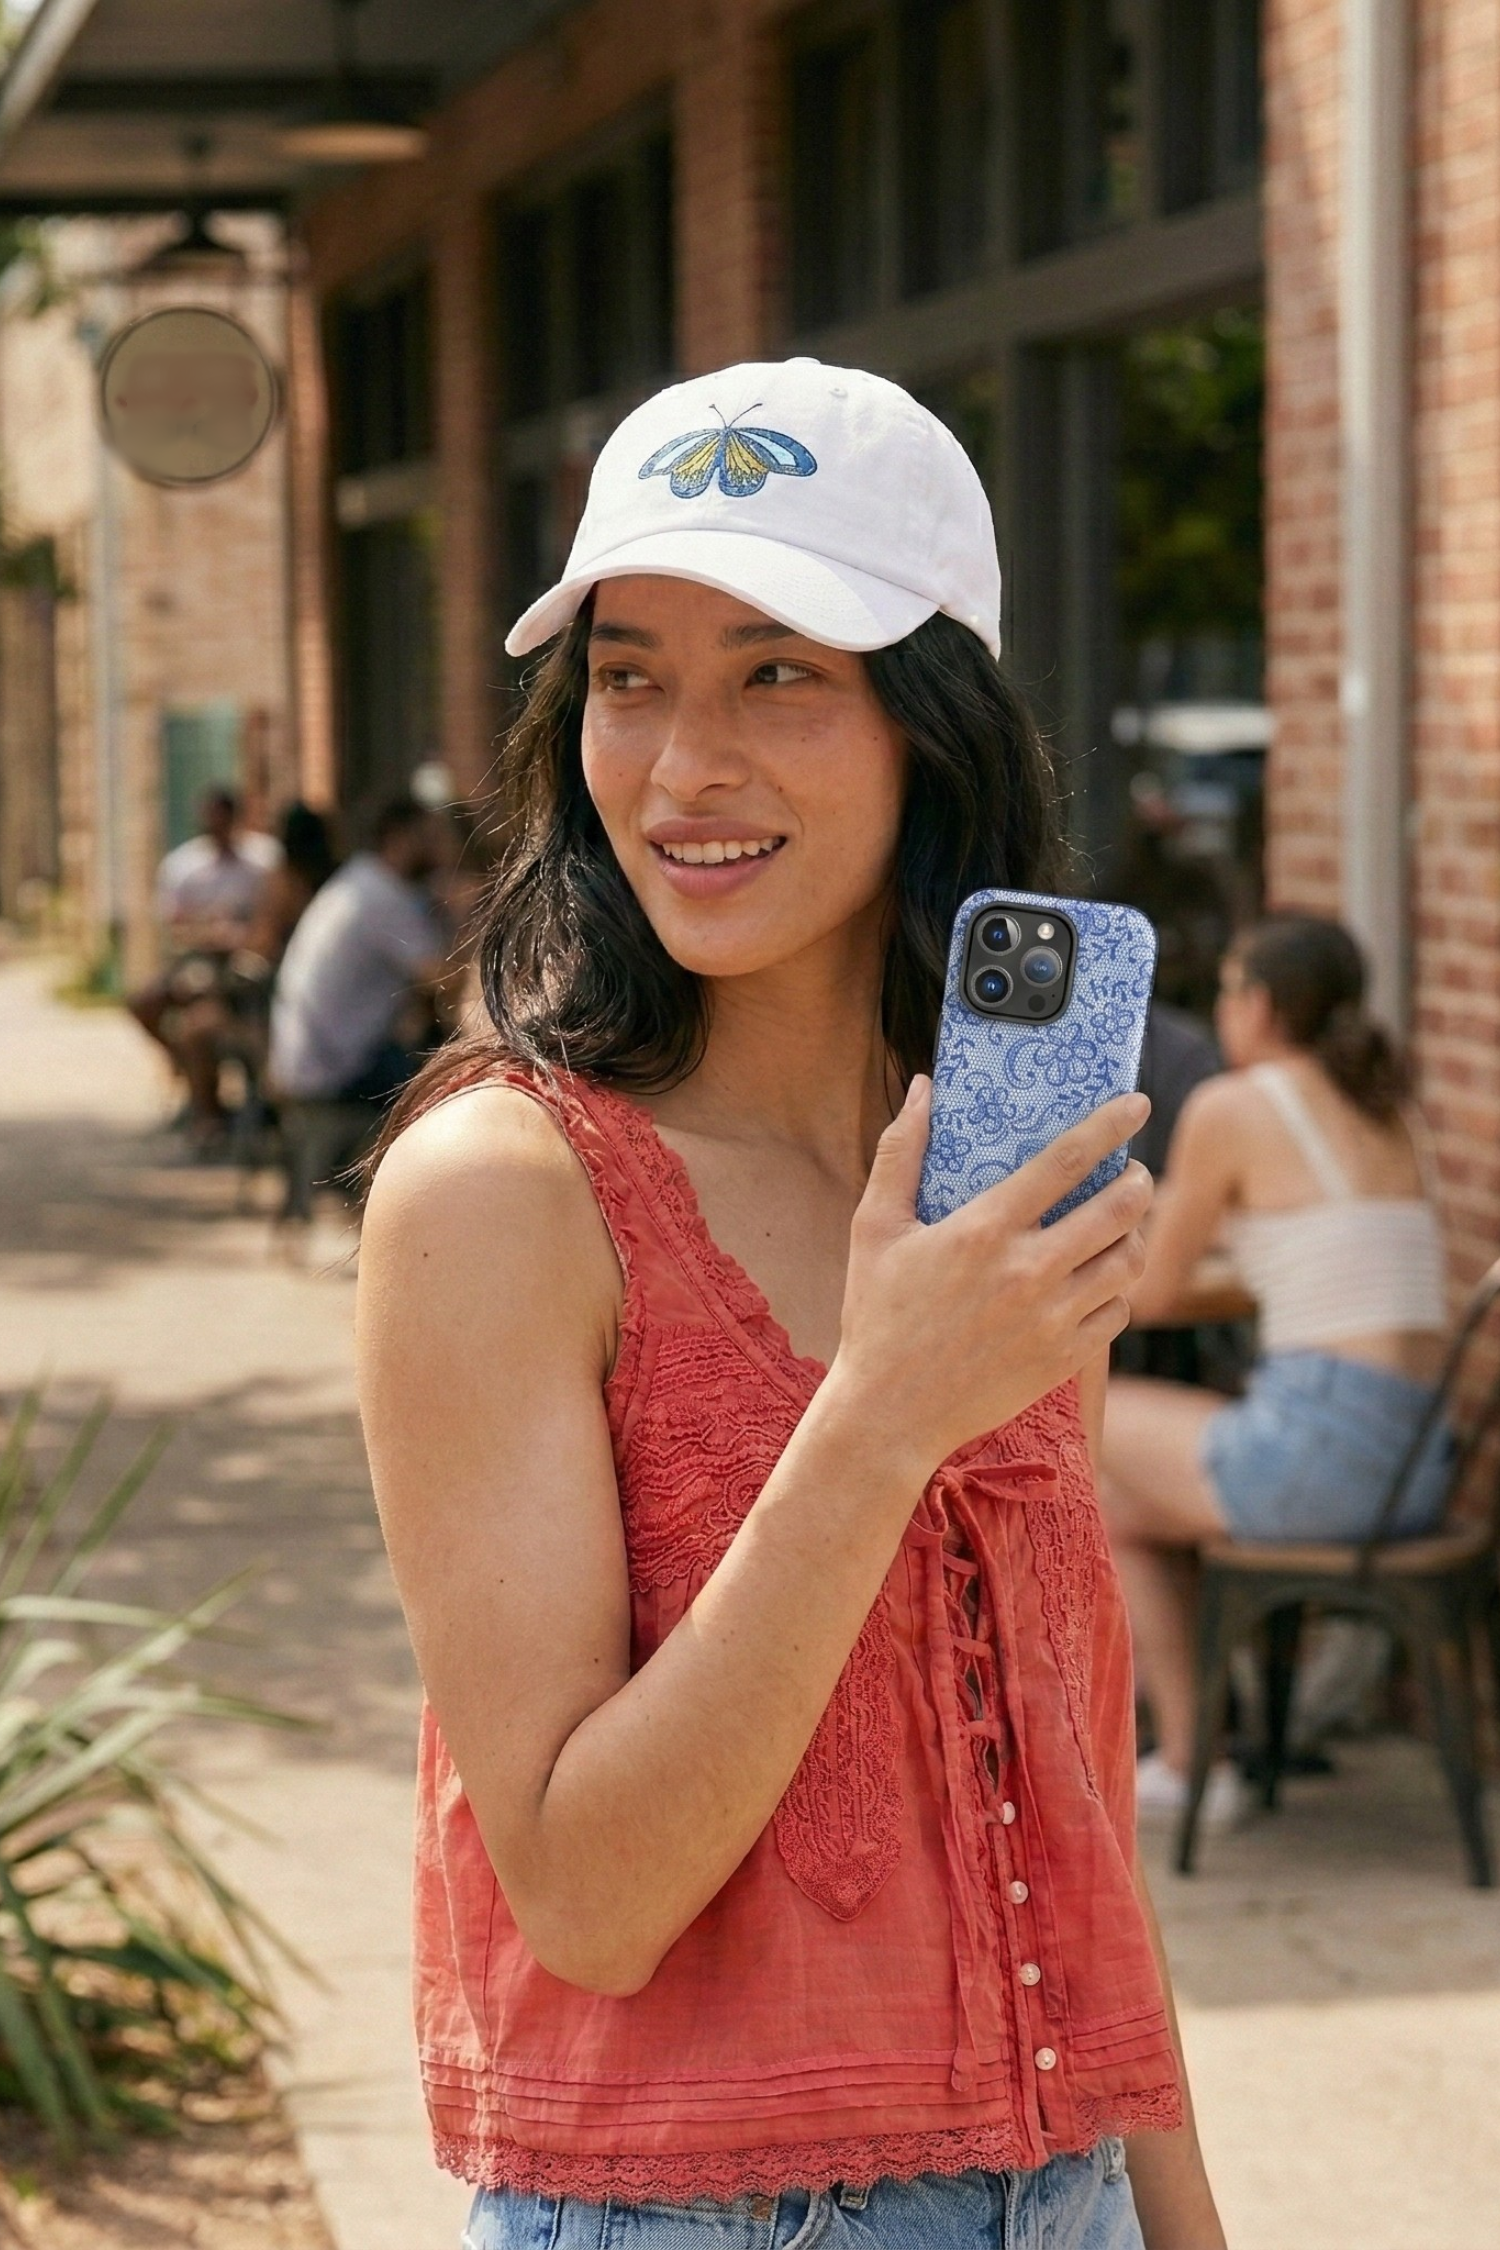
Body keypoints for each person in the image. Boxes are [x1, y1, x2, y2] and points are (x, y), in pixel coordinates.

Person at [357, 360, 1225, 2250]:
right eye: (631, 672)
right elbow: (585, 1894)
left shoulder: (992, 1191)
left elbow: (1068, 1809)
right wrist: (885, 1415)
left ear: (934, 726)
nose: (681, 766)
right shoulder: (503, 1194)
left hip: (1062, 2195)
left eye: (778, 673)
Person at [1100, 915, 1451, 1821]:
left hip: (1325, 1460)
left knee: (1085, 1434)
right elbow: (1306, 1257)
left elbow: (1159, 1291)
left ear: (1257, 1004)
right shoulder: (1383, 1107)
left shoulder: (1234, 1106)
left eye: (1225, 990)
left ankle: (1190, 1760)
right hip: (1422, 1462)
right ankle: (1198, 1753)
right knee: (1124, 1507)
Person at [268, 795, 451, 1109]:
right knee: (459, 1081)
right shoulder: (384, 896)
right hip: (335, 1070)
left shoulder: (362, 879)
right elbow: (444, 979)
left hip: (305, 1059)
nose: (440, 849)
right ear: (400, 837)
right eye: (430, 837)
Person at [129, 785, 281, 1145]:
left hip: (244, 962)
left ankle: (208, 1113)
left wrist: (241, 934)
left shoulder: (262, 861)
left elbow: (271, 918)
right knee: (146, 1002)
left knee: (203, 1020)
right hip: (198, 957)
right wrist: (207, 933)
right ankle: (183, 1064)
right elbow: (174, 926)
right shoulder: (185, 866)